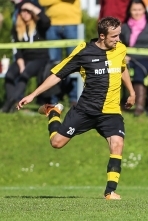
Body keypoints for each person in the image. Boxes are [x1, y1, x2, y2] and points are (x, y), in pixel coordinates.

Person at [16, 17, 136, 200]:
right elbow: (58, 74)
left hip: (110, 112)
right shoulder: (84, 52)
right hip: (86, 110)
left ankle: (110, 191)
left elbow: (122, 68)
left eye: (119, 35)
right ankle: (53, 112)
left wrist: (132, 92)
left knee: (117, 144)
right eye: (114, 36)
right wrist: (32, 95)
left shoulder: (120, 49)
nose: (118, 39)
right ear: (102, 36)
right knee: (56, 143)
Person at [1, 2, 50, 113]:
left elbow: (46, 21)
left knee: (25, 74)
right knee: (9, 75)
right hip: (24, 59)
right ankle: (11, 101)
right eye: (23, 11)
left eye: (28, 11)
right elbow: (16, 49)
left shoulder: (39, 25)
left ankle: (10, 103)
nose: (26, 14)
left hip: (40, 58)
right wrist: (21, 63)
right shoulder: (17, 28)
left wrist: (32, 7)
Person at [39, 0, 82, 107]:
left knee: (74, 62)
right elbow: (42, 2)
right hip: (51, 24)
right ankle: (53, 98)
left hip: (72, 23)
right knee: (53, 64)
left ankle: (74, 99)